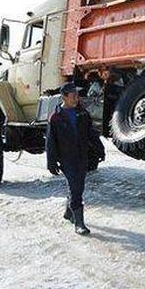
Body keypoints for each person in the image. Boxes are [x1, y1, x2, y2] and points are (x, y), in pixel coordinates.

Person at [46, 83, 105, 235]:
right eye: (73, 95)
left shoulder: (82, 113)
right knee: (76, 189)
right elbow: (51, 141)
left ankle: (69, 212)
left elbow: (91, 133)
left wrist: (100, 149)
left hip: (82, 156)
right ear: (64, 97)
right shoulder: (55, 117)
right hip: (66, 158)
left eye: (77, 95)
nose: (76, 98)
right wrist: (51, 161)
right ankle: (79, 223)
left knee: (77, 186)